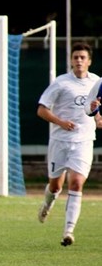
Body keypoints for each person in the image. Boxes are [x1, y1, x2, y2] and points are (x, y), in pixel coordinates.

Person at [36, 42, 100, 246]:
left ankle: (68, 231)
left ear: (89, 61)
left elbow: (98, 111)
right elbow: (41, 110)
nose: (79, 60)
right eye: (76, 57)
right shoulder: (61, 82)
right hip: (60, 141)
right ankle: (47, 204)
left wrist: (99, 118)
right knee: (55, 186)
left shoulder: (97, 83)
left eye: (82, 57)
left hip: (84, 141)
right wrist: (61, 122)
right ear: (71, 61)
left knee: (77, 183)